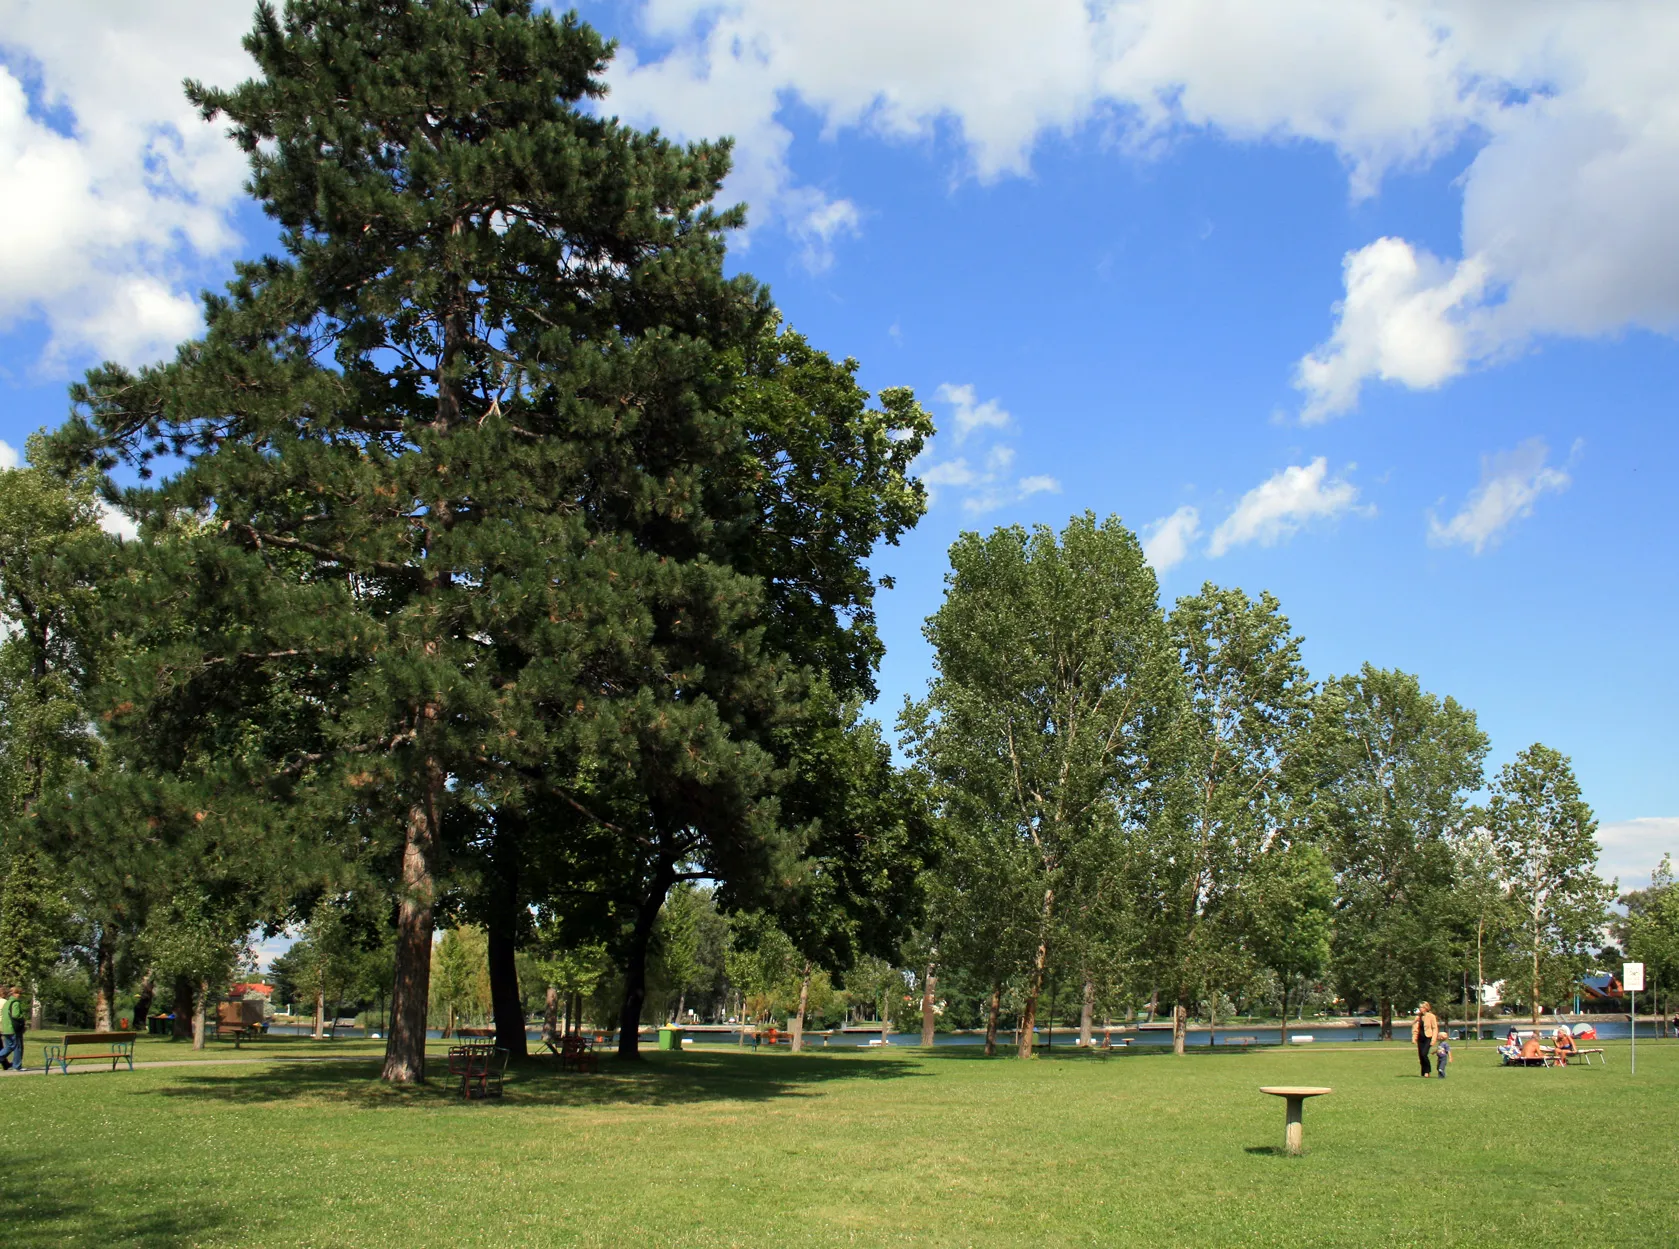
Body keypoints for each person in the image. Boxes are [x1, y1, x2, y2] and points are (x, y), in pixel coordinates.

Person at [1410, 1001, 1439, 1076]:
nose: (1420, 1009)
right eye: (1420, 1007)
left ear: (1426, 1008)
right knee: (1420, 1055)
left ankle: (1427, 1071)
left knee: (1424, 1054)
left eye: (1422, 1007)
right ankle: (1423, 1072)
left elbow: (1435, 1028)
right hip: (1420, 1038)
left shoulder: (1431, 1016)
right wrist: (1414, 1038)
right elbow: (1415, 1028)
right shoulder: (1418, 1017)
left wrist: (1433, 1039)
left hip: (1428, 1037)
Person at [0, 985, 23, 1072]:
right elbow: (16, 1015)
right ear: (14, 993)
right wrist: (22, 1017)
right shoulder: (15, 1003)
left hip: (5, 1028)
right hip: (13, 1028)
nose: (20, 995)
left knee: (8, 1047)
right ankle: (17, 1066)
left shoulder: (7, 1003)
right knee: (17, 1047)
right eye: (18, 993)